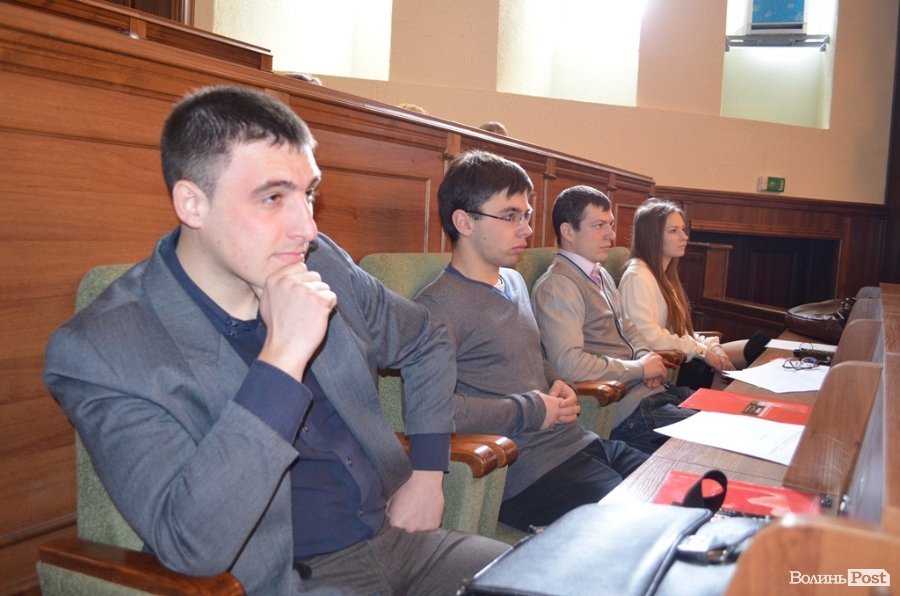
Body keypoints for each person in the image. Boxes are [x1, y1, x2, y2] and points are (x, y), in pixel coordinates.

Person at [43, 86, 508, 595]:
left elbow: (427, 339)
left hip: (398, 543)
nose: (306, 228)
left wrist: (427, 473)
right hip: (287, 579)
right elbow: (191, 543)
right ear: (193, 203)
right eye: (272, 198)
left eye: (307, 194)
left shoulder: (322, 262)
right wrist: (282, 357)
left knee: (550, 579)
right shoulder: (103, 350)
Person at [415, 151, 647, 532]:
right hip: (527, 473)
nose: (525, 229)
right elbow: (438, 411)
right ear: (464, 222)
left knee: (676, 487)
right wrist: (531, 409)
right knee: (645, 523)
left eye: (526, 216)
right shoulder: (437, 307)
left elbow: (533, 357)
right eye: (510, 216)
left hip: (578, 443)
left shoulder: (514, 281)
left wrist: (558, 380)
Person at [531, 186, 696, 455]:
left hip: (653, 394)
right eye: (599, 226)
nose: (611, 235)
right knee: (718, 443)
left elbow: (628, 328)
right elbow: (569, 365)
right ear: (568, 231)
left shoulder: (601, 274)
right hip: (624, 410)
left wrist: (647, 358)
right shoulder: (558, 286)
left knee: (727, 418)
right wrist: (638, 369)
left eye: (610, 224)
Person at [618, 198, 769, 389]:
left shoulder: (663, 276)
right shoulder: (637, 277)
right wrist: (702, 352)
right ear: (652, 237)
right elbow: (649, 338)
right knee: (731, 367)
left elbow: (682, 334)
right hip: (668, 367)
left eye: (683, 229)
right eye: (673, 231)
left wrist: (712, 347)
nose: (684, 237)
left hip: (683, 357)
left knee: (760, 346)